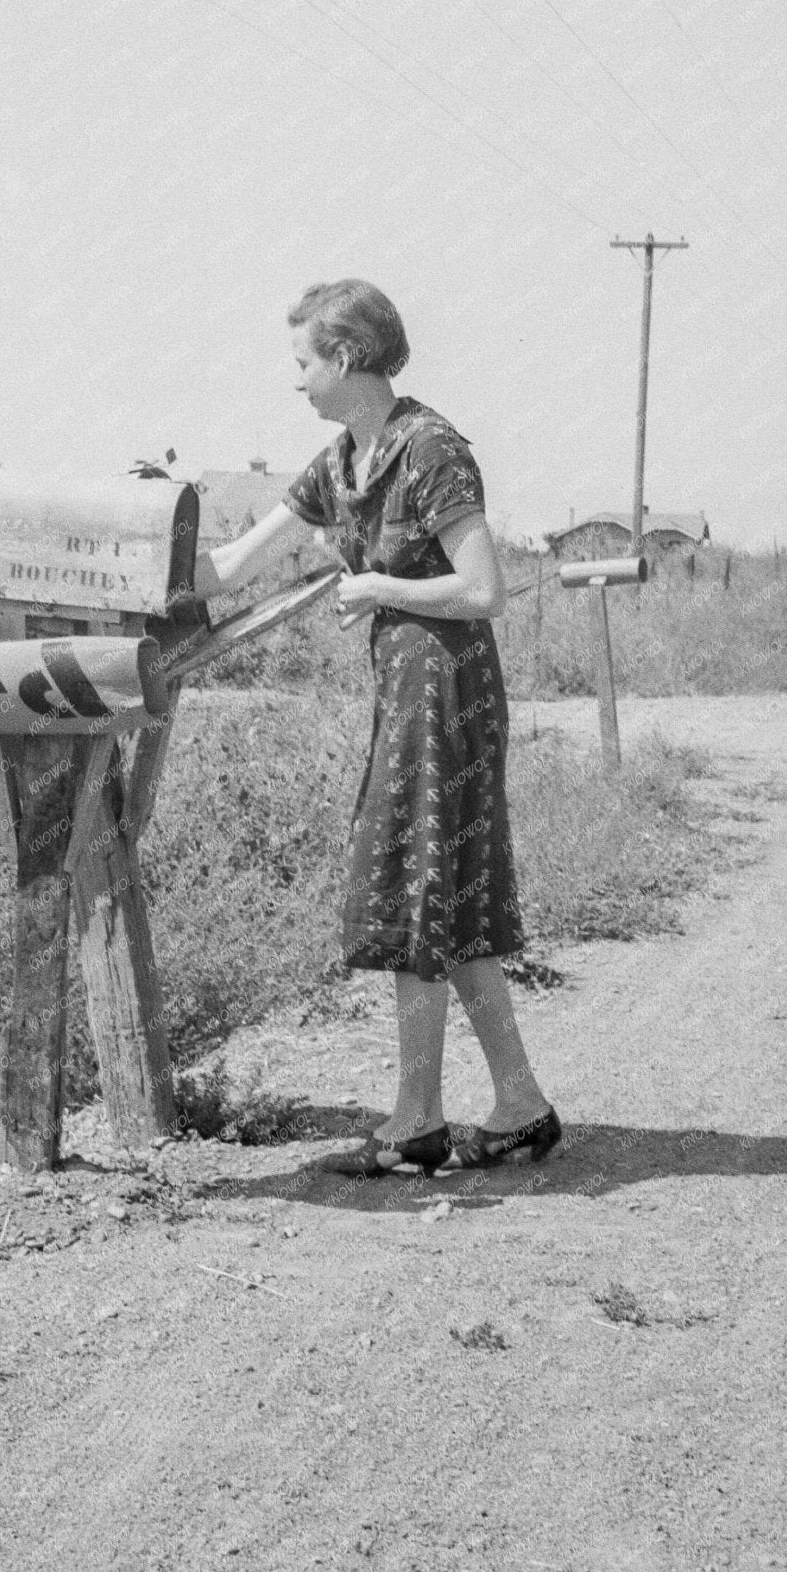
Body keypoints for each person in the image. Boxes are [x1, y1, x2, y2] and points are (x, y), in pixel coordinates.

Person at [192, 279, 559, 1177]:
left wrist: (380, 587)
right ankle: (520, 1105)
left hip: (450, 693)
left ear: (347, 358)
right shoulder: (341, 460)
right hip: (406, 689)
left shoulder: (430, 449)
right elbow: (233, 565)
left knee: (419, 886)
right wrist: (139, 547)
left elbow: (484, 591)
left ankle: (414, 1119)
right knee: (448, 896)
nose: (298, 381)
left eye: (304, 362)